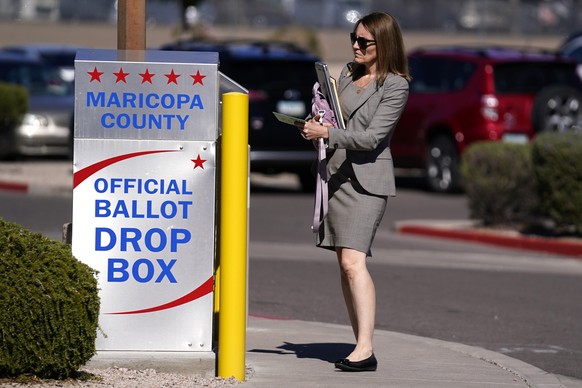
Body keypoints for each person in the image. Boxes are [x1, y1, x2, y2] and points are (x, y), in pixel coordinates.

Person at [297, 12, 410, 372]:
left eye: (364, 42)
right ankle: (359, 343)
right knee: (344, 266)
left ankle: (365, 349)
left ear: (384, 44)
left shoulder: (396, 85)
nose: (356, 46)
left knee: (352, 262)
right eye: (354, 38)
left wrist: (327, 135)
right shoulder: (347, 73)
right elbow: (336, 119)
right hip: (338, 176)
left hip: (367, 181)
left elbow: (373, 138)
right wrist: (316, 125)